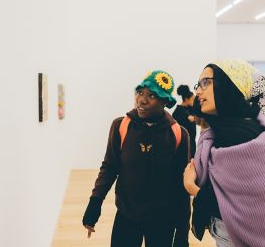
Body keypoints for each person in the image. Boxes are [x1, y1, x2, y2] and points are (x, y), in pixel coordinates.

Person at [183, 60, 265, 247]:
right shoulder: (249, 126)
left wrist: (190, 186)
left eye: (206, 82)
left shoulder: (235, 135)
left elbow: (232, 207)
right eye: (198, 85)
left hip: (235, 236)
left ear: (228, 86)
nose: (198, 91)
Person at [82, 70, 191, 247]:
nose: (142, 100)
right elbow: (109, 168)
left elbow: (182, 187)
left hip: (163, 220)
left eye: (152, 95)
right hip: (127, 216)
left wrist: (182, 233)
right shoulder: (121, 126)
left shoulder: (178, 134)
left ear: (164, 102)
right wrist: (95, 203)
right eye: (140, 92)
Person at [172, 85, 196, 157]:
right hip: (182, 147)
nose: (194, 101)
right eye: (192, 99)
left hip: (191, 145)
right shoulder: (178, 112)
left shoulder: (191, 110)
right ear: (186, 99)